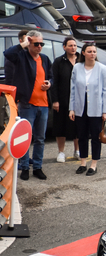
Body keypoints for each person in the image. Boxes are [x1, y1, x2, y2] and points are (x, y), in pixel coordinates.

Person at [3, 30, 52, 181]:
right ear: (29, 43)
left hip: (43, 105)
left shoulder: (44, 59)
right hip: (27, 104)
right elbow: (8, 54)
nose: (39, 47)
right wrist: (23, 44)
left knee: (40, 138)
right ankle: (24, 167)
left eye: (41, 44)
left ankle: (37, 167)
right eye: (36, 44)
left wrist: (49, 83)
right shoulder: (22, 56)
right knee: (25, 137)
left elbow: (51, 76)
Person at [69, 43, 106, 176]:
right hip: (80, 107)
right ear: (84, 53)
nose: (92, 54)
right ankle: (83, 162)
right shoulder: (77, 67)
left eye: (94, 51)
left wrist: (105, 111)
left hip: (96, 108)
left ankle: (94, 164)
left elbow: (105, 91)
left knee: (95, 137)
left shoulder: (102, 68)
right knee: (82, 136)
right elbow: (73, 89)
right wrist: (72, 108)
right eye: (90, 51)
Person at [51, 37, 80, 163]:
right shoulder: (59, 62)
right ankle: (61, 152)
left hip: (79, 100)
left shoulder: (81, 60)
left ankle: (77, 150)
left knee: (78, 126)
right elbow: (54, 82)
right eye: (70, 45)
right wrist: (55, 100)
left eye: (74, 45)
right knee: (60, 126)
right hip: (63, 99)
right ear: (64, 47)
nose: (73, 48)